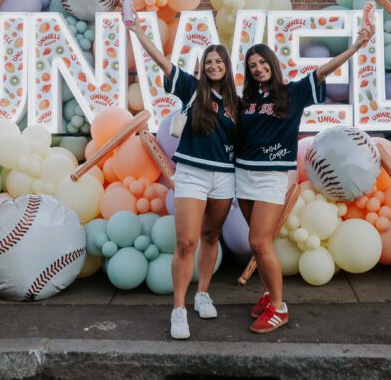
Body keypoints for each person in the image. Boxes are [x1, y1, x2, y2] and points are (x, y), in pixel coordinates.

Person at [237, 22, 374, 333]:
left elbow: (323, 72)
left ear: (272, 64)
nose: (258, 68)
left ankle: (279, 308)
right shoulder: (246, 100)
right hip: (242, 175)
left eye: (263, 62)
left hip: (271, 177)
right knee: (258, 244)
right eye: (252, 65)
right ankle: (269, 295)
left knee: (259, 241)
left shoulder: (292, 93)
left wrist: (355, 47)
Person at [127, 21, 240, 340]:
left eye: (219, 61)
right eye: (209, 62)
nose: (214, 66)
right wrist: (137, 31)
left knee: (211, 236)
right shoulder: (192, 88)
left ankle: (202, 293)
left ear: (226, 66)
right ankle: (178, 309)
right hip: (191, 173)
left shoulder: (236, 102)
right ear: (202, 68)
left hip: (224, 176)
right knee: (186, 242)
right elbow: (161, 61)